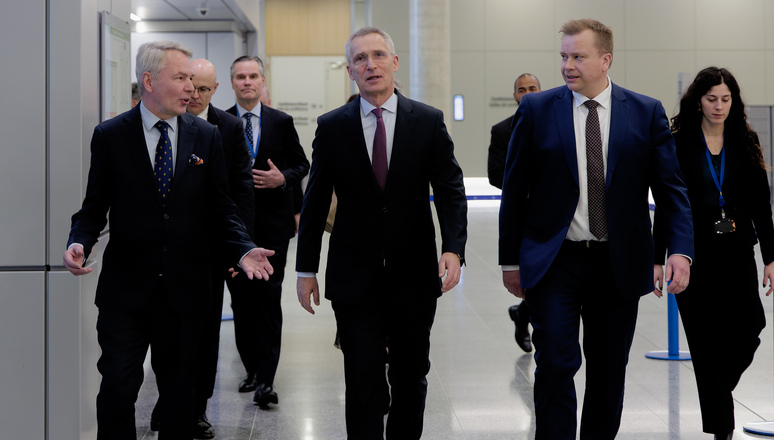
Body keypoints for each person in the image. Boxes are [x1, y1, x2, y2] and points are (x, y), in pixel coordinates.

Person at [63, 40, 274, 440]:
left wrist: (243, 248)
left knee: (179, 399)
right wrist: (80, 241)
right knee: (118, 390)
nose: (190, 90)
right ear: (149, 81)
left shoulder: (206, 135)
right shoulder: (110, 135)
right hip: (126, 293)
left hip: (186, 291)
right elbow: (93, 207)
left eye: (193, 81)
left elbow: (222, 208)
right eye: (180, 79)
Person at [498, 19, 694, 439]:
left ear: (605, 60)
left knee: (608, 371)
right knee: (556, 362)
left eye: (578, 56)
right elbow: (513, 192)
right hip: (556, 260)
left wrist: (677, 249)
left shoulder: (645, 111)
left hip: (618, 262)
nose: (568, 65)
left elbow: (671, 189)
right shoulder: (535, 110)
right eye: (564, 56)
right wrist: (509, 260)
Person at [296, 26, 468, 439]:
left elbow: (450, 189)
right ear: (350, 72)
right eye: (359, 59)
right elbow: (315, 201)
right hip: (354, 276)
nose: (369, 64)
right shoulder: (333, 126)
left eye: (377, 55)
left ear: (394, 63)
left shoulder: (426, 121)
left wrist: (454, 249)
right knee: (363, 379)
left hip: (413, 274)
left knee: (411, 376)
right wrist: (305, 270)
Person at [654, 67, 774, 440]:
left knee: (751, 327)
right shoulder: (679, 143)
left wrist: (771, 257)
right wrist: (657, 258)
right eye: (711, 99)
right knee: (705, 343)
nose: (719, 106)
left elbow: (761, 205)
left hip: (738, 253)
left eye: (726, 99)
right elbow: (667, 205)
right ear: (698, 101)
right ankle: (722, 429)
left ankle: (718, 389)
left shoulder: (744, 139)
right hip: (693, 257)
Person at [148, 58, 255, 439]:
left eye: (203, 88)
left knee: (204, 336)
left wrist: (237, 249)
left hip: (211, 252)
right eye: (189, 83)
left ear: (214, 91)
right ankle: (170, 401)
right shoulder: (162, 121)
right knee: (165, 335)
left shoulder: (227, 128)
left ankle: (197, 408)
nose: (193, 93)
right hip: (167, 252)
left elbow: (240, 192)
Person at [226, 55, 310, 407]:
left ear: (263, 81)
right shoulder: (219, 122)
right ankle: (251, 369)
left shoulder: (281, 121)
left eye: (253, 76)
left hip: (273, 227)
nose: (247, 82)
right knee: (242, 301)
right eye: (241, 77)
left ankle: (267, 379)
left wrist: (283, 181)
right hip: (234, 231)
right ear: (232, 83)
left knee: (268, 300)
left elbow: (302, 164)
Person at [487, 72, 541, 353]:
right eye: (522, 89)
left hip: (554, 216)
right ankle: (524, 313)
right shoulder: (502, 130)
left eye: (533, 88)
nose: (527, 93)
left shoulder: (556, 124)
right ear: (515, 95)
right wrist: (530, 183)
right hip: (521, 214)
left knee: (546, 277)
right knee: (532, 275)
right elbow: (495, 174)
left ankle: (523, 312)